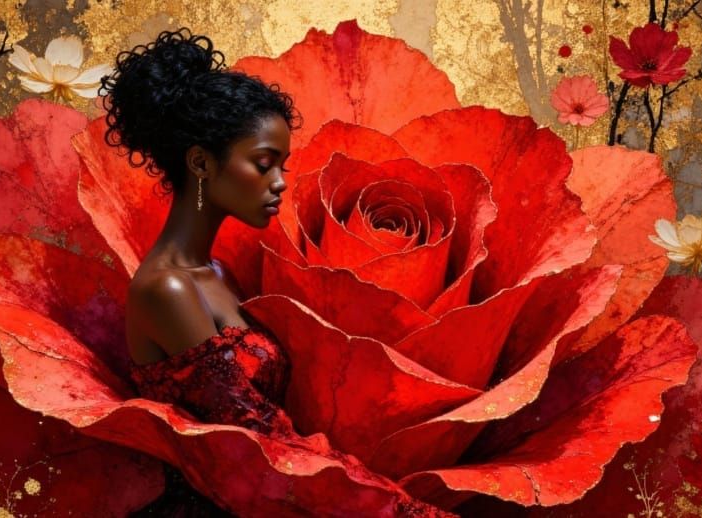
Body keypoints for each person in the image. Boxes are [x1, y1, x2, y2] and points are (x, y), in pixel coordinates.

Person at [99, 28, 454, 517]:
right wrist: (405, 510)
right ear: (201, 162)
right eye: (263, 164)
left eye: (281, 165)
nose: (280, 182)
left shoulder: (218, 274)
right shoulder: (167, 289)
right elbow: (257, 436)